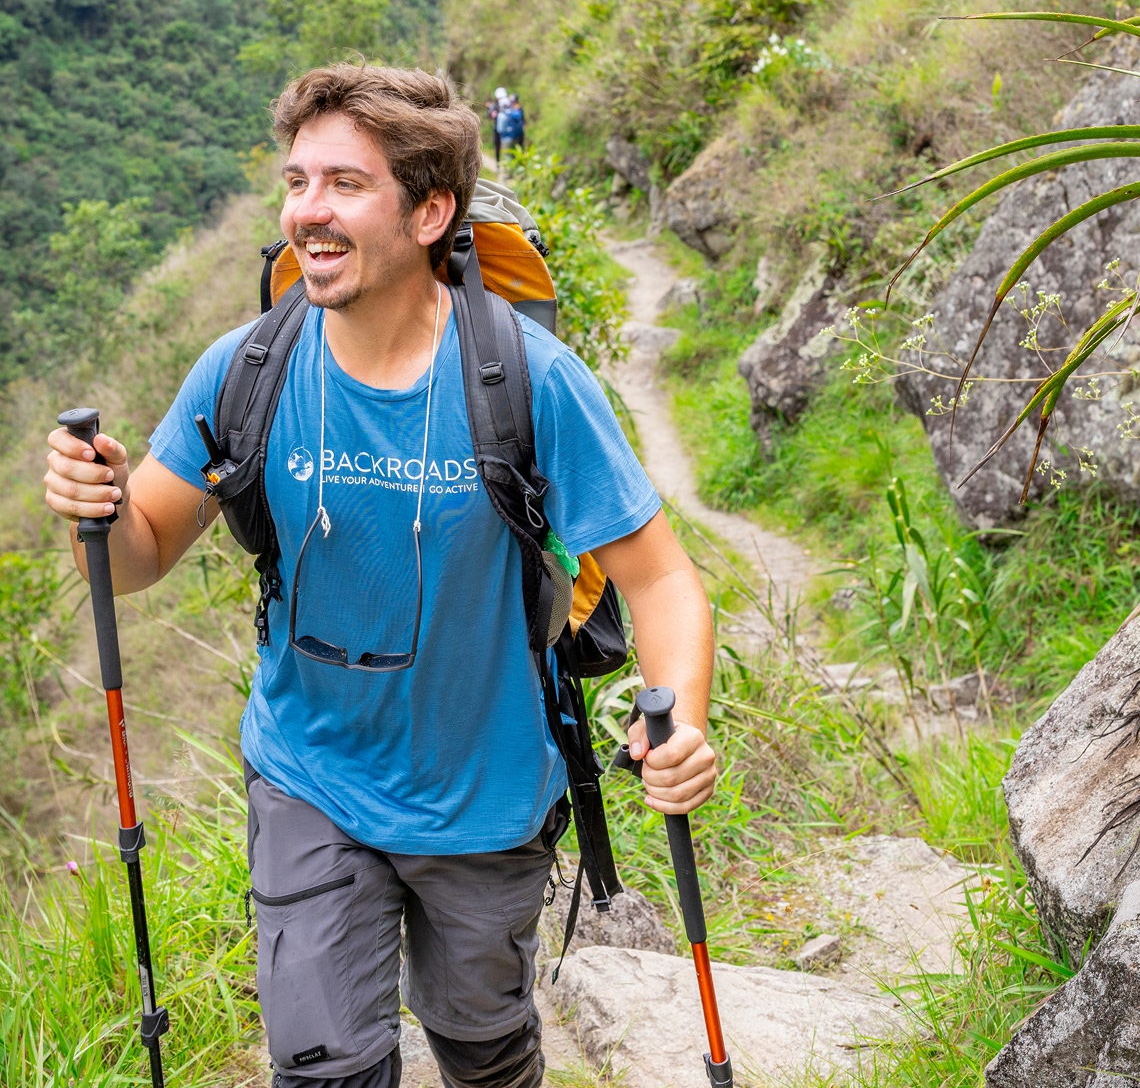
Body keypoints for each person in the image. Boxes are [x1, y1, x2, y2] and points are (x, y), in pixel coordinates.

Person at [42, 65, 717, 1088]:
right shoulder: (245, 368)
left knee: (482, 1048)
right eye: (296, 180)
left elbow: (663, 582)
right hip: (308, 773)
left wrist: (684, 721)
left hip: (482, 799)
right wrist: (94, 505)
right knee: (325, 1071)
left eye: (344, 185)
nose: (306, 211)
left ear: (428, 210)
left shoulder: (525, 382)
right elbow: (139, 554)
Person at [497, 93, 526, 162]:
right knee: (515, 155)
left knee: (508, 156)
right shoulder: (516, 111)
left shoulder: (504, 113)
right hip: (516, 136)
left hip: (507, 137)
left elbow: (500, 129)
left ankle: (509, 171)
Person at [489, 86, 508, 167]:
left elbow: (489, 115)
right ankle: (500, 163)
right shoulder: (508, 103)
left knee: (499, 146)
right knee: (502, 146)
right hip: (504, 129)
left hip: (500, 129)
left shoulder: (496, 105)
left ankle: (499, 163)